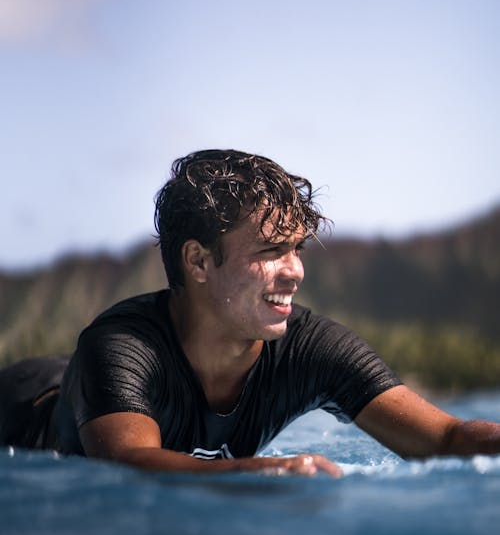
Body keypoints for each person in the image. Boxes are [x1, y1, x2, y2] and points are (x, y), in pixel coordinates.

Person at [2, 149, 500, 477]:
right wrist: (264, 472)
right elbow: (133, 465)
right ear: (198, 261)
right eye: (269, 251)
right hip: (22, 409)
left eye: (297, 248)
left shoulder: (311, 349)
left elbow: (448, 437)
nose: (295, 272)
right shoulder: (120, 346)